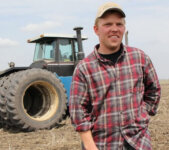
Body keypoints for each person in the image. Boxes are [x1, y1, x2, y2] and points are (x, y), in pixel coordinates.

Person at [69, 2, 161, 150]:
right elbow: (78, 111)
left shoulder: (139, 58)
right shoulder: (84, 68)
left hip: (138, 143)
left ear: (124, 28)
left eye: (119, 24)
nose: (114, 29)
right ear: (96, 29)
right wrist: (90, 146)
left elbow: (154, 90)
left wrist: (142, 113)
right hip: (102, 145)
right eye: (108, 24)